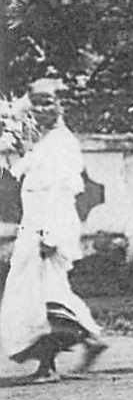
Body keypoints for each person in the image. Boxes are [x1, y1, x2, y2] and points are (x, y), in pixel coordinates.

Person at [0, 78, 108, 383]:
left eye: (50, 102)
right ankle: (81, 342)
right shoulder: (44, 143)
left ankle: (62, 356)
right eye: (38, 103)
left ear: (62, 106)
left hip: (49, 225)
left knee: (44, 294)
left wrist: (49, 235)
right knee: (37, 293)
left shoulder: (62, 143)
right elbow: (26, 171)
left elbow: (60, 193)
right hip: (34, 225)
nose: (43, 109)